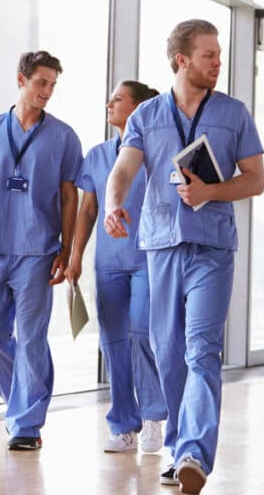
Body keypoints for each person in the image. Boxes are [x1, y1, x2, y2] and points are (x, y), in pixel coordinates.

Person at [103, 20, 264, 494]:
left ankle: (195, 450)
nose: (218, 62)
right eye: (209, 55)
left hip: (212, 248)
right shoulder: (146, 116)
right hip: (160, 247)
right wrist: (114, 205)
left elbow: (254, 178)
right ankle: (179, 449)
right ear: (182, 60)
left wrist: (211, 190)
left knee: (201, 349)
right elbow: (123, 170)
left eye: (218, 55)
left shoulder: (234, 114)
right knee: (169, 352)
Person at [0, 50, 82, 451]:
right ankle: (19, 403)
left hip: (38, 251)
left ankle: (26, 423)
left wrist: (66, 246)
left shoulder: (63, 136)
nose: (47, 91)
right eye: (41, 82)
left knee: (30, 338)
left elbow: (69, 196)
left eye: (53, 85)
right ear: (21, 80)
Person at [64, 80, 167, 455]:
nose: (110, 103)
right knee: (113, 343)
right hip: (108, 263)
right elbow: (88, 209)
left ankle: (154, 416)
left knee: (141, 333)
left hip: (147, 259)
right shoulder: (97, 155)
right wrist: (75, 256)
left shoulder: (157, 153)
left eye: (119, 99)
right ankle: (124, 424)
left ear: (140, 108)